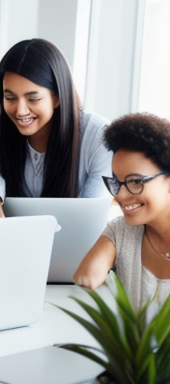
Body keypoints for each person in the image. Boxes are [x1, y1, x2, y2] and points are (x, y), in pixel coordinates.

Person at [0, 38, 112, 219]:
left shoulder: (98, 134)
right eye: (10, 98)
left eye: (33, 99)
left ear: (57, 98)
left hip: (80, 246)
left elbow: (91, 214)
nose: (20, 111)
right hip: (17, 242)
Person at [74, 113, 170, 319]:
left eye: (135, 182)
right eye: (117, 183)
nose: (119, 196)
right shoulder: (122, 230)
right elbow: (86, 278)